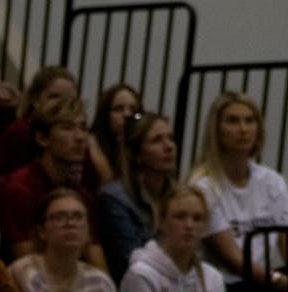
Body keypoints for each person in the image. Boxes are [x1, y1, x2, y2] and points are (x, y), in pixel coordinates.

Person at [187, 93, 288, 291]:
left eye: (249, 121)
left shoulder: (273, 182)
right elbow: (234, 261)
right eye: (233, 121)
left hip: (268, 278)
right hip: (228, 282)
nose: (243, 129)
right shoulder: (203, 187)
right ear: (216, 130)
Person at [0, 98, 105, 268]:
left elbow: (99, 266)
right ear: (42, 138)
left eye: (83, 128)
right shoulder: (18, 189)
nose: (80, 137)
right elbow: (28, 269)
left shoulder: (81, 195)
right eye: (67, 128)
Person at [98, 114, 177, 282]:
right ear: (135, 154)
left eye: (170, 138)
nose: (169, 146)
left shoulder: (180, 194)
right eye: (156, 140)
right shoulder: (115, 199)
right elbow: (130, 262)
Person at [118, 186, 224, 292]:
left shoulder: (212, 278)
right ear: (161, 221)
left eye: (197, 218)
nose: (189, 225)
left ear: (205, 226)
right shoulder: (141, 275)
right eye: (180, 216)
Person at [6, 189, 115, 291]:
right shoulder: (21, 273)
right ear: (42, 231)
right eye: (59, 217)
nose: (70, 223)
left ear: (88, 231)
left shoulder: (100, 282)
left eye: (78, 217)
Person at [0, 68, 78, 177]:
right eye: (54, 97)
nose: (62, 104)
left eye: (70, 100)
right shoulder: (20, 133)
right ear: (36, 99)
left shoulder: (76, 136)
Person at [89, 86, 141, 185]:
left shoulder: (142, 152)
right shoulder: (91, 146)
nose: (127, 114)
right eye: (118, 109)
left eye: (133, 110)